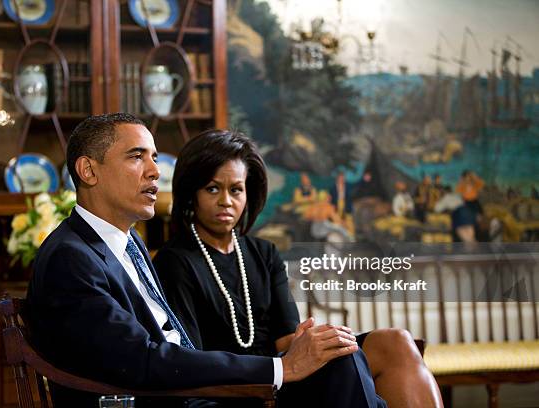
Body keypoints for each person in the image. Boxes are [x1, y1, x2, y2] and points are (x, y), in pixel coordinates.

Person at [26, 114, 381, 408]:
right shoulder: (71, 258)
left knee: (340, 353)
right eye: (137, 157)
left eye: (154, 157)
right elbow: (144, 360)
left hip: (202, 395)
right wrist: (279, 368)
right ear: (88, 171)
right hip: (172, 401)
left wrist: (286, 362)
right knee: (342, 362)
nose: (154, 171)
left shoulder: (127, 242)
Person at [154, 129, 444, 408]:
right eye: (213, 188)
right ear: (192, 193)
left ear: (249, 193)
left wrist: (314, 340)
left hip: (287, 376)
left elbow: (286, 339)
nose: (226, 201)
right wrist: (283, 364)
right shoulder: (174, 261)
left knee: (394, 342)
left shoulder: (264, 253)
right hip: (243, 386)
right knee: (345, 358)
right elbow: (188, 359)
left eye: (236, 189)